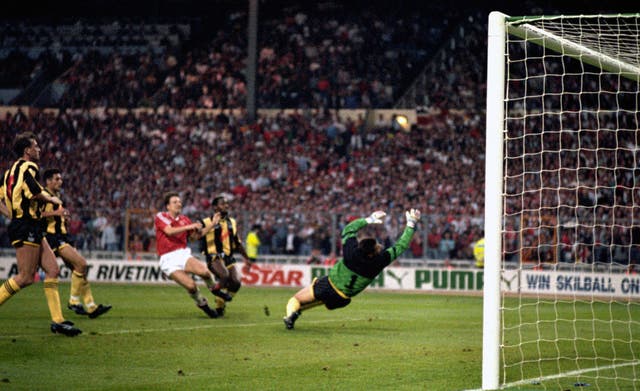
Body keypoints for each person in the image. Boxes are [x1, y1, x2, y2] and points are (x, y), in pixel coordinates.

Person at [283, 208, 421, 330]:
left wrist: (368, 219)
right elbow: (402, 245)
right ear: (373, 252)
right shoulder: (380, 261)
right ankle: (294, 314)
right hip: (343, 299)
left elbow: (348, 229)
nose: (379, 245)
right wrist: (411, 224)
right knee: (315, 302)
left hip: (327, 286)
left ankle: (290, 315)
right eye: (377, 245)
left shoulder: (351, 251)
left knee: (295, 300)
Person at [0, 132, 81, 336]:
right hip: (26, 225)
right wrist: (52, 201)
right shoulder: (29, 166)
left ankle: (58, 321)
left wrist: (11, 213)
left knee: (52, 269)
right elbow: (34, 191)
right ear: (27, 150)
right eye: (35, 146)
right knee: (25, 277)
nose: (39, 149)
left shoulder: (10, 172)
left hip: (30, 225)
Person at [41, 168, 112, 318]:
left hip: (63, 236)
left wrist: (63, 218)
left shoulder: (57, 196)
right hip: (52, 237)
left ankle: (91, 306)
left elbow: (55, 216)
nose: (60, 181)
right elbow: (35, 214)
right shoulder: (43, 195)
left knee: (79, 270)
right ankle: (73, 301)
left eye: (60, 179)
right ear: (48, 181)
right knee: (81, 264)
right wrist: (56, 213)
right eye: (57, 179)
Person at [154, 191, 221, 318]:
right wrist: (190, 226)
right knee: (191, 286)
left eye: (179, 201)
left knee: (205, 273)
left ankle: (215, 290)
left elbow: (194, 237)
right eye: (175, 202)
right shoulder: (161, 216)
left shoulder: (185, 219)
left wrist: (212, 224)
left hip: (182, 254)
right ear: (167, 206)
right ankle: (203, 304)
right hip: (167, 259)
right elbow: (169, 231)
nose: (178, 204)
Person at [200, 195, 250, 317]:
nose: (226, 206)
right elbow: (198, 236)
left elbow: (237, 243)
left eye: (227, 203)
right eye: (222, 203)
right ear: (215, 207)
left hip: (228, 257)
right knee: (224, 275)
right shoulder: (206, 222)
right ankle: (216, 290)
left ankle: (220, 304)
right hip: (214, 256)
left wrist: (247, 258)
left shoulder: (232, 222)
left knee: (236, 283)